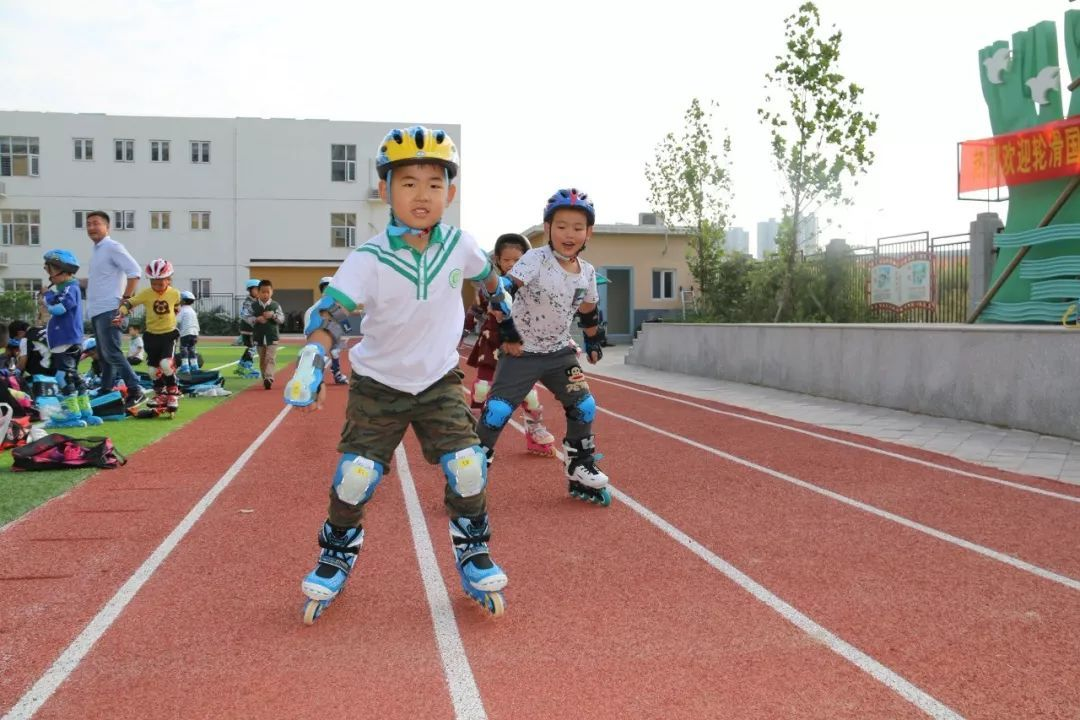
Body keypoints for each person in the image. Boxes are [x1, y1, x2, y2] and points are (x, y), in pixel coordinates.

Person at [287, 125, 514, 623]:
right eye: (408, 182)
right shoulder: (367, 258)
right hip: (378, 386)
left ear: (450, 194)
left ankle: (472, 550)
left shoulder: (460, 244)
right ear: (385, 190)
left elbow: (487, 277)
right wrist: (312, 358)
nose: (422, 194)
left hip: (438, 383)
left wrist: (503, 296)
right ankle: (337, 550)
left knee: (469, 464)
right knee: (356, 477)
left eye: (435, 184)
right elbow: (330, 314)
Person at [475, 188, 611, 506]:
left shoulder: (587, 273)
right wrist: (501, 296)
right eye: (561, 225)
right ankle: (472, 471)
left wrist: (592, 340)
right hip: (521, 351)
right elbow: (510, 285)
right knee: (495, 412)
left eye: (578, 227)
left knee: (584, 405)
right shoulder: (535, 259)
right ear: (547, 228)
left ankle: (579, 463)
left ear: (589, 232)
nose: (569, 233)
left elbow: (588, 311)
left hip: (560, 353)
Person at [466, 233, 556, 456]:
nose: (512, 264)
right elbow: (473, 312)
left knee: (530, 395)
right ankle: (472, 433)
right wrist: (461, 331)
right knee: (481, 389)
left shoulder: (533, 289)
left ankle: (535, 431)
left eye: (518, 260)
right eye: (507, 260)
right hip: (492, 344)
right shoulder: (489, 287)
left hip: (521, 347)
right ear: (497, 260)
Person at [39, 249, 102, 427]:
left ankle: (71, 413)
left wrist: (47, 296)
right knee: (73, 376)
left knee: (62, 377)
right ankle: (84, 410)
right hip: (69, 340)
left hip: (65, 340)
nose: (49, 275)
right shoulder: (68, 288)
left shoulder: (69, 288)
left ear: (63, 271)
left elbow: (59, 308)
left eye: (50, 270)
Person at [116, 258, 182, 416]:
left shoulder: (175, 294)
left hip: (168, 334)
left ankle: (173, 393)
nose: (157, 286)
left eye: (160, 283)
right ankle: (160, 394)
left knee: (166, 364)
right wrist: (121, 313)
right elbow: (130, 303)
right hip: (151, 336)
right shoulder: (147, 294)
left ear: (169, 279)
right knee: (153, 371)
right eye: (153, 282)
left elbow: (176, 308)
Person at [303, 277, 350, 385]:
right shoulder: (327, 303)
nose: (327, 291)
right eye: (325, 288)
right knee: (321, 352)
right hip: (316, 329)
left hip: (325, 329)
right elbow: (341, 319)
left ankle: (334, 374)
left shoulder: (325, 302)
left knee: (333, 351)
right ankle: (317, 376)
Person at [250, 280, 284, 390]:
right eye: (263, 292)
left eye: (267, 292)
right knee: (262, 359)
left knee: (270, 358)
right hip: (259, 336)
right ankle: (265, 378)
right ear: (258, 292)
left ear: (272, 292)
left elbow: (282, 319)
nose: (265, 294)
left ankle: (269, 378)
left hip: (272, 336)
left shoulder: (276, 305)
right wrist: (256, 319)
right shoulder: (253, 306)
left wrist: (273, 316)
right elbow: (245, 317)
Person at [235, 279, 261, 379]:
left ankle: (242, 366)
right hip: (248, 330)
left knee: (251, 348)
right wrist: (256, 320)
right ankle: (247, 367)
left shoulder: (255, 301)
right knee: (252, 348)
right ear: (250, 290)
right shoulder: (248, 302)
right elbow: (245, 315)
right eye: (256, 290)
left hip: (251, 330)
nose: (258, 292)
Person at [177, 290, 201, 374]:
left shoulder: (182, 310)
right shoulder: (192, 311)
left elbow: (178, 321)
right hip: (194, 332)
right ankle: (195, 366)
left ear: (183, 300)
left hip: (186, 332)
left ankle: (185, 367)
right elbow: (196, 322)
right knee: (192, 349)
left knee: (183, 348)